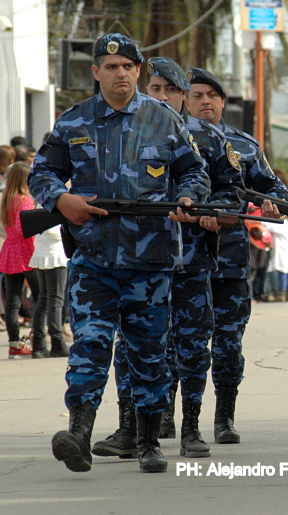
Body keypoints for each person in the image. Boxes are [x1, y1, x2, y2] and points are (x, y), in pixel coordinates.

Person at [29, 33, 210, 474]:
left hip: (150, 262)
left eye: (128, 66)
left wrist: (187, 200)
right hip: (94, 258)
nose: (120, 73)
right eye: (110, 67)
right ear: (96, 72)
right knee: (88, 347)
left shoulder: (163, 119)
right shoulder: (74, 123)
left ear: (138, 71)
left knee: (148, 353)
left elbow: (195, 172)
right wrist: (61, 201)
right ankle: (79, 435)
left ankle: (149, 442)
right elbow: (42, 172)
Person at [91, 56, 245, 461]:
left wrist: (213, 214)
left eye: (170, 91)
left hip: (188, 263)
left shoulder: (208, 139)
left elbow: (233, 197)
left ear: (182, 97)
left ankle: (192, 428)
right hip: (135, 262)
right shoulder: (122, 131)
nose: (160, 97)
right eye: (154, 89)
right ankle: (131, 429)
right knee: (134, 348)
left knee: (193, 346)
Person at [186, 67, 287, 444]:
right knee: (181, 343)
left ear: (223, 102)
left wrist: (275, 204)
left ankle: (224, 418)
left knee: (228, 344)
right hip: (181, 259)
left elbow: (272, 187)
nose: (205, 102)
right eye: (197, 95)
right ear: (186, 99)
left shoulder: (242, 146)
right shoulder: (170, 140)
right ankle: (174, 420)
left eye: (213, 96)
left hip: (229, 259)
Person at [0, 162, 39, 358]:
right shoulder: (25, 200)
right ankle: (39, 336)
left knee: (12, 301)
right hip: (27, 251)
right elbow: (25, 229)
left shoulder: (6, 199)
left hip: (10, 251)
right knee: (42, 296)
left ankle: (14, 342)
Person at [28, 224, 70, 358]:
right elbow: (54, 233)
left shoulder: (41, 205)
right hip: (54, 255)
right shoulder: (49, 206)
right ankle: (56, 342)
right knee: (55, 300)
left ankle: (39, 343)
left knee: (44, 300)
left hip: (44, 253)